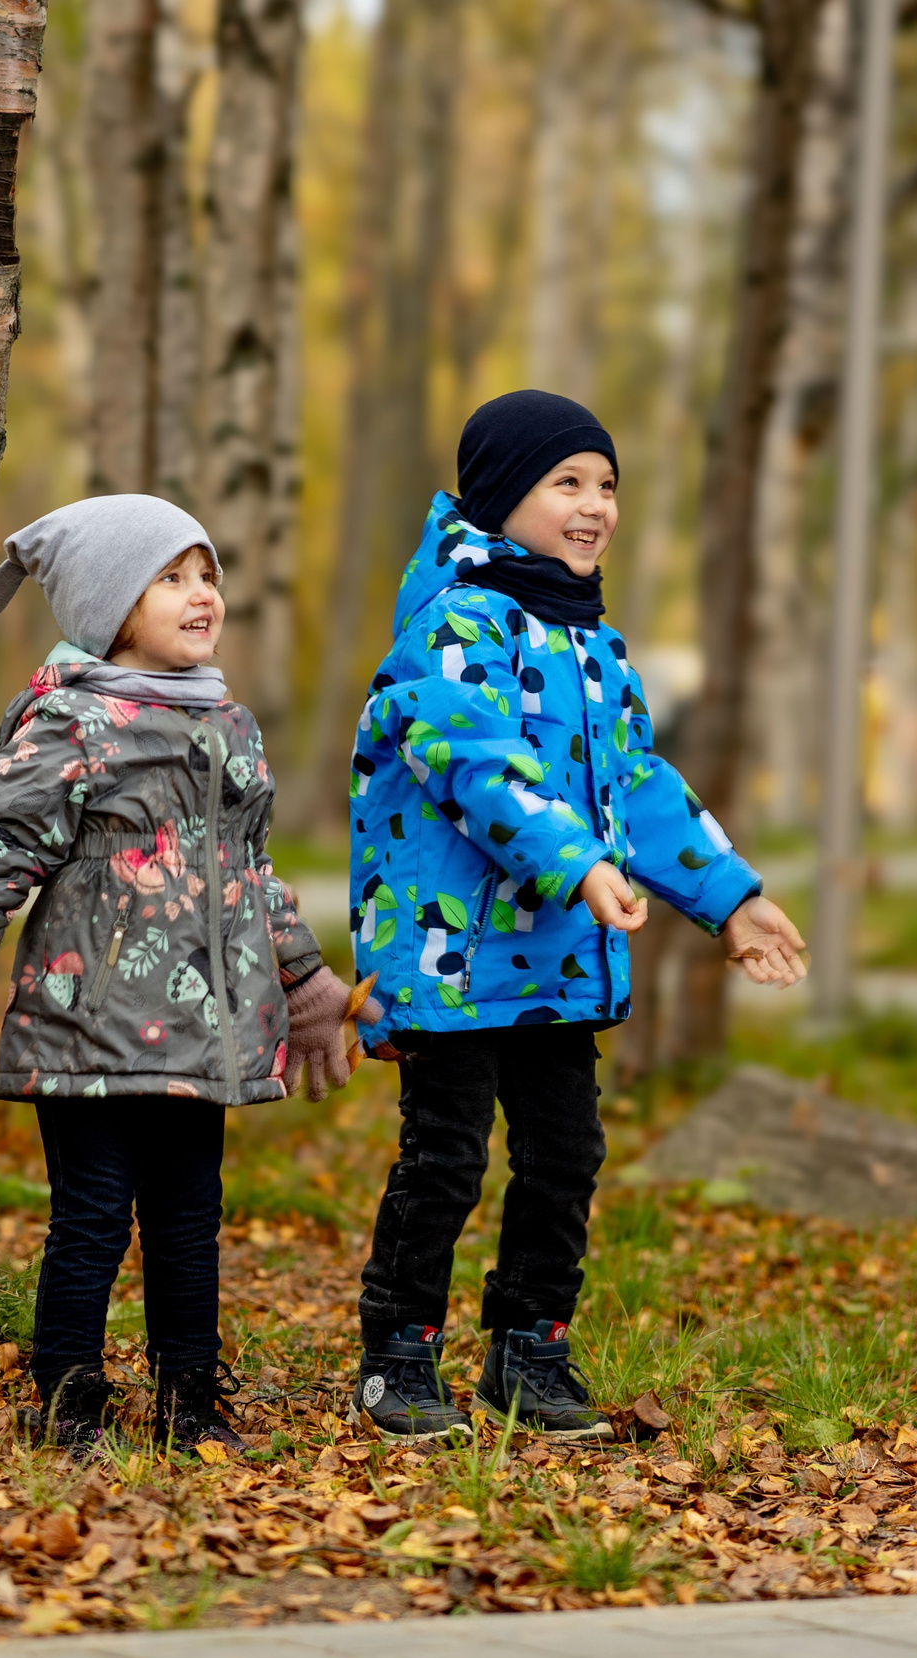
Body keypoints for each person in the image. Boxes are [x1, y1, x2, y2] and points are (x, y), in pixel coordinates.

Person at [0, 494, 378, 1457]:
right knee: (90, 1219)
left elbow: (251, 870)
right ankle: (67, 1400)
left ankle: (190, 1402)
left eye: (207, 574)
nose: (201, 593)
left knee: (190, 1221)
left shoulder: (229, 724)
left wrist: (303, 982)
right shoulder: (71, 721)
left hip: (202, 1031)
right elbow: (1, 854)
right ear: (109, 604)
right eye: (169, 578)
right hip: (88, 1024)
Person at [343, 391, 808, 1442]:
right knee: (446, 1158)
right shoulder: (453, 626)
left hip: (556, 961)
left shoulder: (594, 646)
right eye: (567, 482)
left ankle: (529, 1350)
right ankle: (397, 1353)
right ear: (503, 494)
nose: (595, 505)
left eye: (607, 485)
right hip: (454, 958)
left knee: (563, 1159)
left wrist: (731, 899)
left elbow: (638, 786)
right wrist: (579, 863)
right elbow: (478, 766)